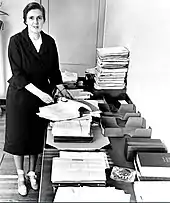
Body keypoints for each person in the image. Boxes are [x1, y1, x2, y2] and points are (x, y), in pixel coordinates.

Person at [3, 2, 71, 196]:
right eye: (31, 17)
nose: (35, 21)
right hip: (21, 96)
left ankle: (32, 173)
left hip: (43, 98)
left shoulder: (49, 42)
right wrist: (42, 94)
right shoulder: (16, 41)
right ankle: (20, 176)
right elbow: (18, 74)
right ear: (25, 20)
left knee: (35, 137)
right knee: (18, 138)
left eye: (39, 17)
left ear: (44, 20)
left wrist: (62, 89)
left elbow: (54, 71)